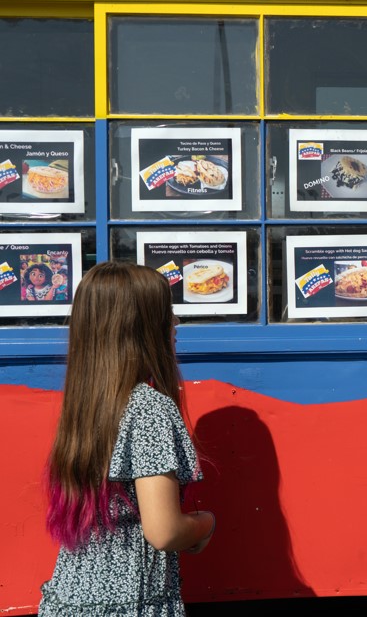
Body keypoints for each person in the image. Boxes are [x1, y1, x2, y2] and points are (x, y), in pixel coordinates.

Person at [38, 261, 215, 616]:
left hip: (68, 601)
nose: (176, 323)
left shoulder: (86, 405)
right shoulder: (148, 407)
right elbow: (164, 531)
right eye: (166, 313)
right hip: (129, 605)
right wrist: (205, 523)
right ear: (143, 328)